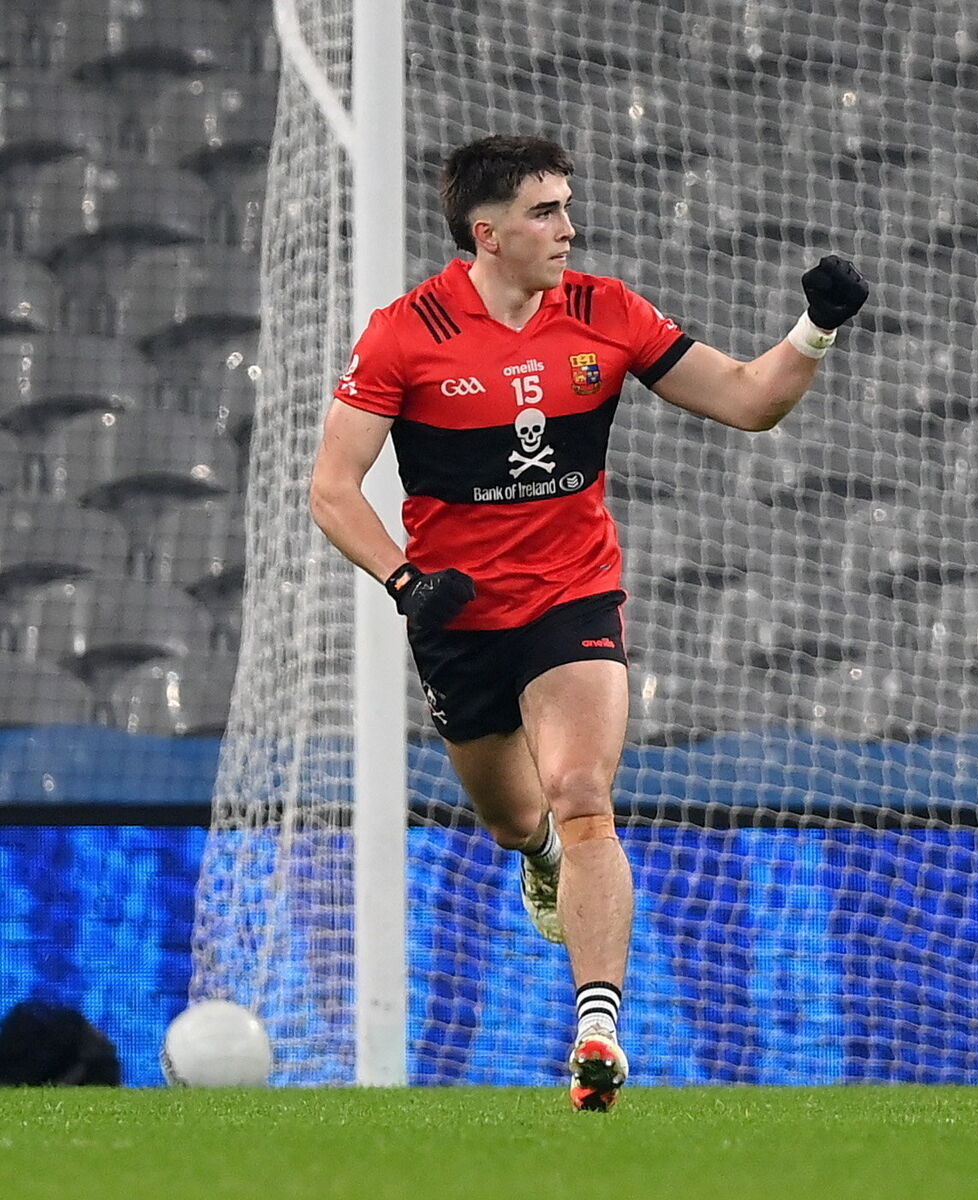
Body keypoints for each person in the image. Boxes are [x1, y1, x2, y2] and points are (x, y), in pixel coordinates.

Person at [310, 133, 868, 1110]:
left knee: (580, 791)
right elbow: (331, 489)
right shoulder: (404, 333)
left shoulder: (605, 312)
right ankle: (535, 863)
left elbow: (746, 401)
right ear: (486, 234)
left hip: (572, 596)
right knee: (515, 817)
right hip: (455, 613)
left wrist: (814, 327)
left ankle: (598, 1032)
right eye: (543, 212)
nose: (568, 227)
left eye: (566, 206)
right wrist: (404, 583)